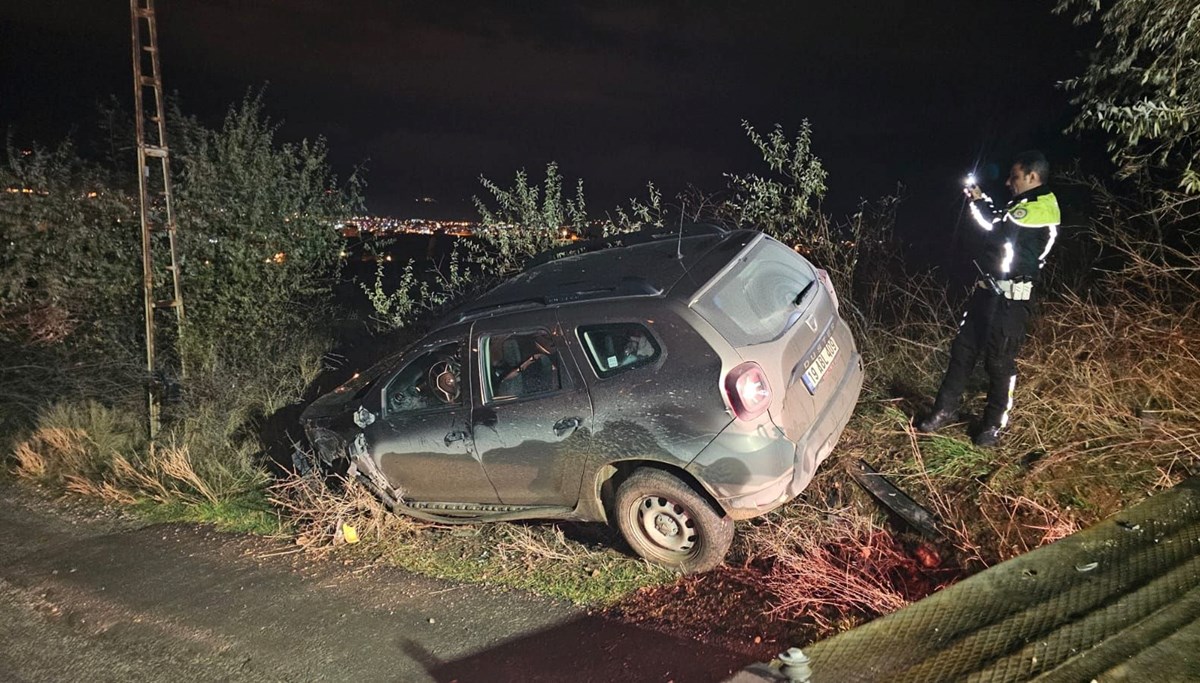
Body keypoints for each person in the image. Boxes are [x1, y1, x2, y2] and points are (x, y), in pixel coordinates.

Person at [916, 150, 1061, 446]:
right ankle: (944, 410)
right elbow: (997, 222)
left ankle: (993, 426)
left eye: (1015, 176)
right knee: (963, 352)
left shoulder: (1042, 207)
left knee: (999, 363)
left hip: (1011, 303)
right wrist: (979, 199)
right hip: (987, 293)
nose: (1009, 182)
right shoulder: (1020, 204)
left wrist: (980, 204)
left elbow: (997, 232)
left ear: (1033, 177)